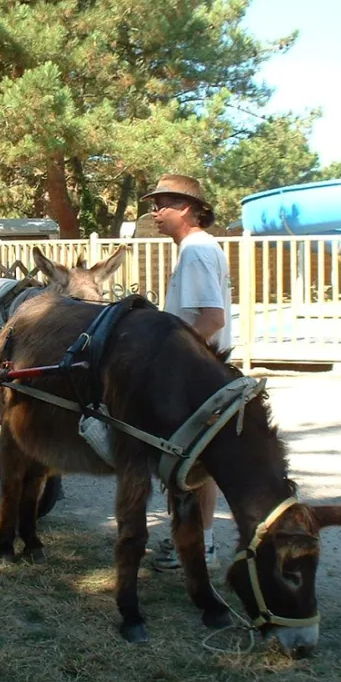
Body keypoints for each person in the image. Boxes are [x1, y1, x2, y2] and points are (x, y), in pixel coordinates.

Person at [141, 174, 232, 572]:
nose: (155, 212)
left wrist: (167, 355)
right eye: (155, 203)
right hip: (203, 370)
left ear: (189, 209)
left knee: (181, 461)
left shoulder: (195, 250)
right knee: (200, 462)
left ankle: (193, 546)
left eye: (164, 204)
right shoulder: (202, 247)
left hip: (192, 373)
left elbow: (212, 318)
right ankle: (200, 543)